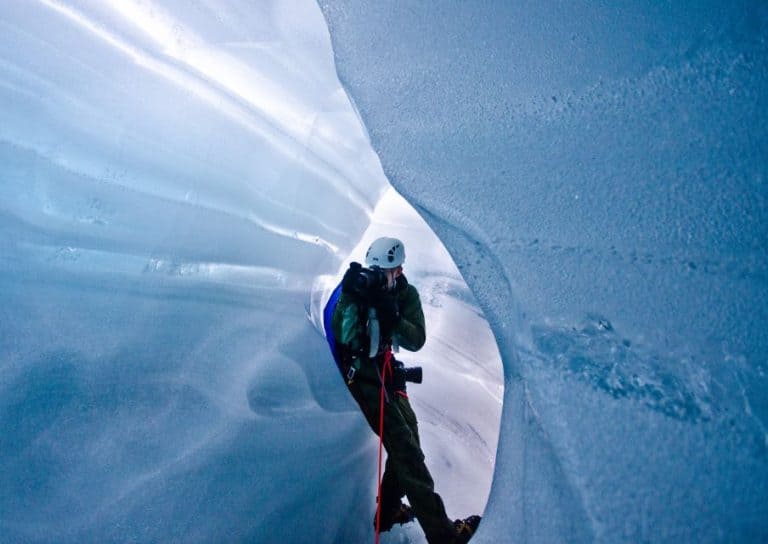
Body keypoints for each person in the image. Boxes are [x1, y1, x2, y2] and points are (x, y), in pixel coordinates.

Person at [326, 237, 481, 544]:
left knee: (410, 437)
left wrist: (392, 315)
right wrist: (349, 296)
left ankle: (389, 512)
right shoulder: (360, 289)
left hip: (386, 372)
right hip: (363, 375)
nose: (382, 275)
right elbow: (344, 335)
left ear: (398, 270)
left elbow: (416, 339)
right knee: (407, 452)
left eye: (387, 270)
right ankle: (443, 535)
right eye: (377, 269)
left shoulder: (405, 294)